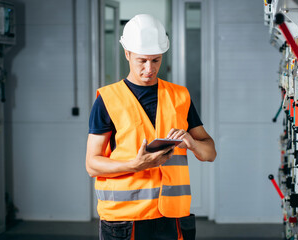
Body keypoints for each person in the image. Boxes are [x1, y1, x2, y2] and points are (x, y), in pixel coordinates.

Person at [86, 14, 216, 240]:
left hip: (173, 217)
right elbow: (92, 164)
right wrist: (135, 164)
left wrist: (192, 143)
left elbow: (210, 153)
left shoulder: (180, 96)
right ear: (127, 54)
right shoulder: (108, 99)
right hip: (125, 219)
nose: (150, 68)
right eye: (142, 60)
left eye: (156, 60)